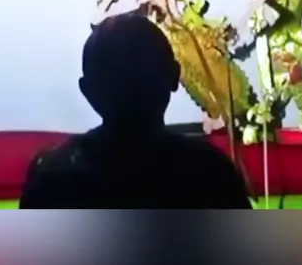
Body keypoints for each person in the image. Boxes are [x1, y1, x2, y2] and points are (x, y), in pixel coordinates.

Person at [19, 13, 252, 208]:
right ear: (174, 76)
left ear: (88, 91)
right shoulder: (211, 173)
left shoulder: (52, 176)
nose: (130, 86)